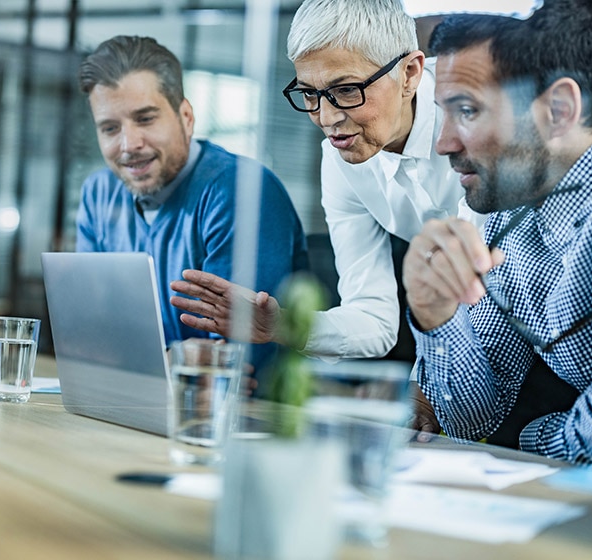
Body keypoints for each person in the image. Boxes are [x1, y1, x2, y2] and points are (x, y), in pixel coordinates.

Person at [170, 0, 481, 361]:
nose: (326, 117)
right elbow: (374, 318)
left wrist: (426, 384)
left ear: (409, 73)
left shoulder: (476, 115)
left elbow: (481, 283)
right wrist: (283, 326)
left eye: (347, 90)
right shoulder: (340, 161)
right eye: (310, 94)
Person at [403, 0, 592, 463]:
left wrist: (530, 436)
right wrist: (437, 315)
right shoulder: (512, 207)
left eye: (466, 110)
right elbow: (473, 418)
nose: (444, 142)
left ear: (560, 110)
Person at [76, 35, 308, 379]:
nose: (129, 145)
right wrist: (168, 362)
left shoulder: (240, 190)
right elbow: (88, 335)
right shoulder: (98, 194)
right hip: (136, 405)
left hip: (252, 418)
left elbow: (231, 367)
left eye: (145, 119)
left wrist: (137, 362)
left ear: (185, 117)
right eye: (110, 128)